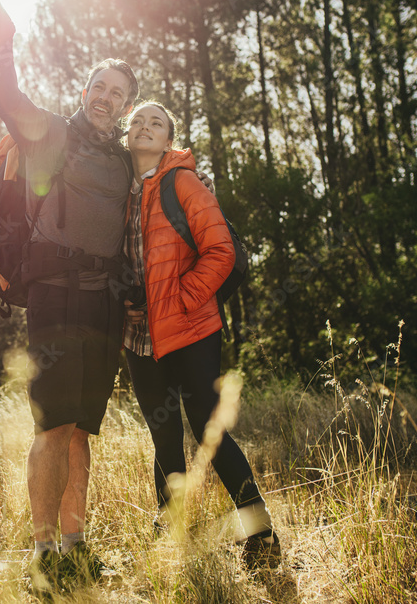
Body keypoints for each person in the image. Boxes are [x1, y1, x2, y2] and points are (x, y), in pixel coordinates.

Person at [0, 0, 138, 593]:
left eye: (117, 94)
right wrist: (2, 45)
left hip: (102, 303)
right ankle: (43, 549)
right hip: (53, 294)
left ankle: (77, 544)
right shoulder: (52, 135)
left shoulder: (125, 161)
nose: (105, 98)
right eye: (99, 87)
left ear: (124, 107)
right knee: (50, 426)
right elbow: (7, 100)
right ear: (84, 92)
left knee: (80, 430)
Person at [122, 102, 281, 570]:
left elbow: (221, 252)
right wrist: (126, 302)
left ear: (169, 139)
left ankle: (262, 534)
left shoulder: (183, 183)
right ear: (126, 136)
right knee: (164, 436)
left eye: (156, 123)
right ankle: (170, 529)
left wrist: (179, 300)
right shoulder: (120, 193)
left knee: (210, 431)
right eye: (137, 121)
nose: (145, 127)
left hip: (192, 329)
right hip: (139, 338)